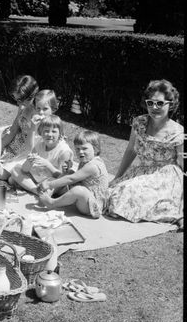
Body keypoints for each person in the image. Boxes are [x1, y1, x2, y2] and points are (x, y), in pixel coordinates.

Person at [105, 79, 184, 226]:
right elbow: (130, 150)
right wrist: (118, 176)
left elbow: (182, 164)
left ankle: (176, 213)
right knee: (113, 192)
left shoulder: (178, 132)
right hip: (142, 171)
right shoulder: (139, 122)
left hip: (165, 176)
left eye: (160, 103)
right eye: (150, 103)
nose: (154, 107)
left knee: (128, 193)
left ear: (170, 104)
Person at [38, 130, 109, 219]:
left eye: (84, 148)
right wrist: (66, 171)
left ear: (95, 149)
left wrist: (49, 184)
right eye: (77, 149)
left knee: (78, 189)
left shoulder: (93, 165)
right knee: (69, 173)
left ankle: (52, 203)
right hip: (85, 197)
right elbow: (75, 176)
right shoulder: (86, 161)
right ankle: (49, 193)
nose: (80, 152)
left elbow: (72, 179)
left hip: (93, 205)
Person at [0, 86, 58, 180]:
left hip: (39, 160)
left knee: (6, 176)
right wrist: (33, 127)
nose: (41, 112)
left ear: (53, 109)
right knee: (3, 173)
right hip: (28, 155)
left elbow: (35, 151)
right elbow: (29, 148)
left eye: (45, 109)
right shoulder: (36, 122)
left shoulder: (52, 126)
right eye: (38, 108)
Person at [10, 115, 74, 194]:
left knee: (14, 180)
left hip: (53, 180)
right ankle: (36, 190)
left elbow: (63, 177)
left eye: (54, 131)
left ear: (60, 133)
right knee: (15, 171)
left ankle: (35, 189)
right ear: (41, 132)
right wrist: (29, 162)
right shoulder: (40, 143)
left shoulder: (64, 151)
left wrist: (48, 165)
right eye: (46, 131)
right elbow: (24, 170)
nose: (49, 134)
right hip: (38, 176)